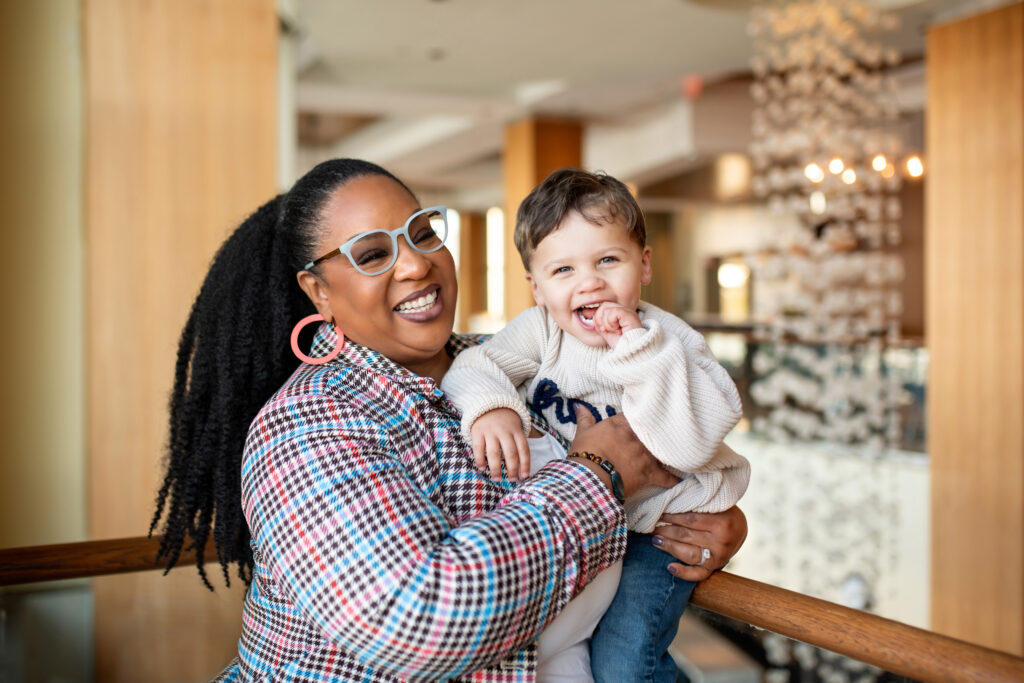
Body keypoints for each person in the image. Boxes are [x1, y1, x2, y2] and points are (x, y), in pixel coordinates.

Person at [150, 158, 748, 681]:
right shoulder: (309, 426)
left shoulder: (516, 360)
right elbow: (417, 621)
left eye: (423, 233)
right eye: (373, 253)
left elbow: (672, 436)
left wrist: (705, 521)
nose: (415, 265)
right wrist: (599, 475)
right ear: (318, 291)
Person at [441, 168, 751, 682]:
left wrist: (638, 351)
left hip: (658, 528)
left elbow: (689, 445)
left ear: (644, 265)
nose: (590, 281)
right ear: (536, 287)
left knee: (625, 661)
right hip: (588, 521)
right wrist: (493, 407)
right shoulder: (541, 331)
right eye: (563, 270)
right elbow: (476, 366)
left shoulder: (671, 343)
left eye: (608, 259)